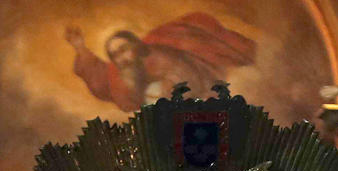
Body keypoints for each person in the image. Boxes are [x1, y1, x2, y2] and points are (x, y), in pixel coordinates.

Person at [63, 16, 257, 112]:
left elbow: (190, 82)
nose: (120, 59)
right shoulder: (126, 76)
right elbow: (101, 80)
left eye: (123, 50)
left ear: (136, 46)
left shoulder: (161, 57)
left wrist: (165, 94)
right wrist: (80, 48)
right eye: (115, 56)